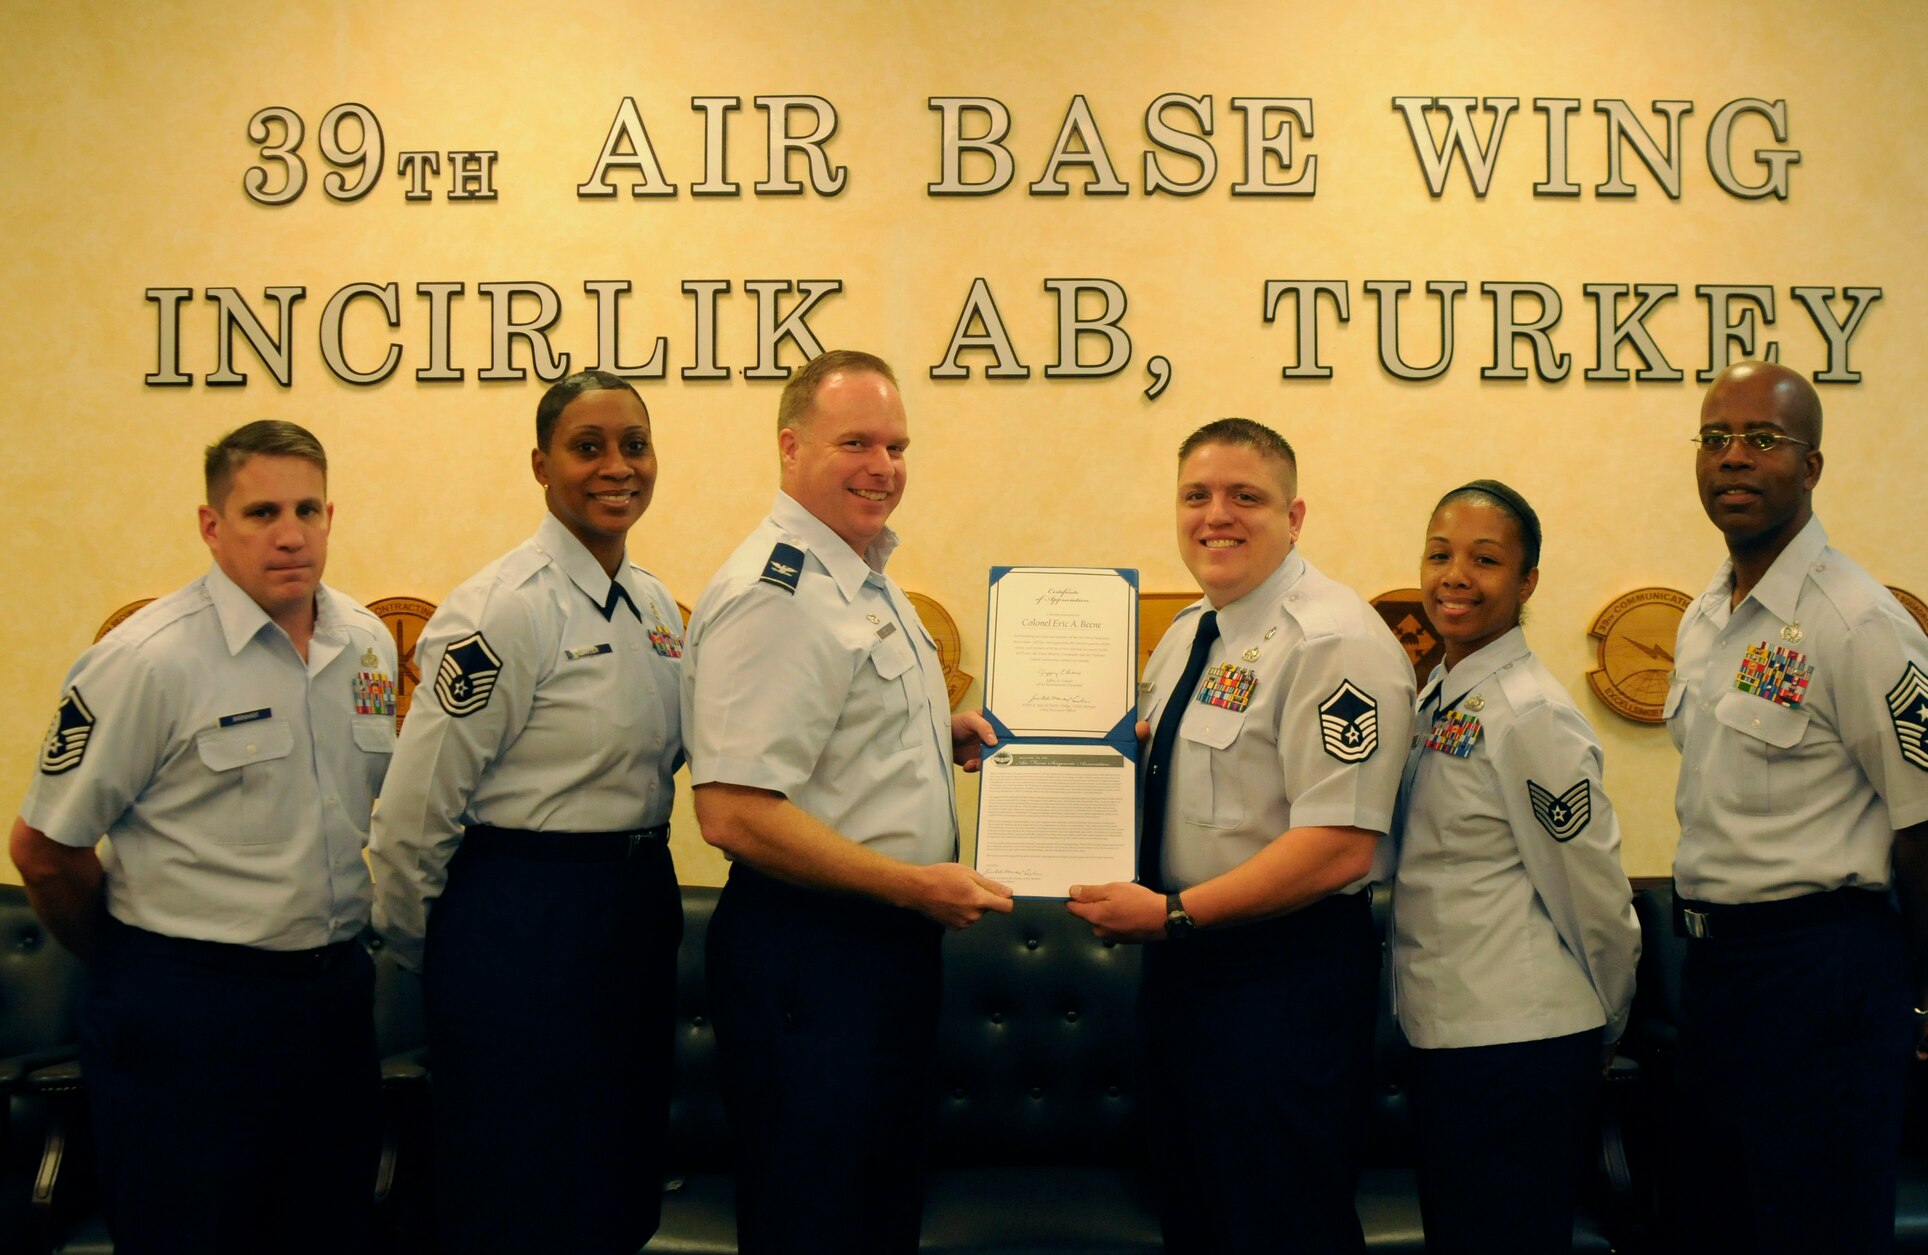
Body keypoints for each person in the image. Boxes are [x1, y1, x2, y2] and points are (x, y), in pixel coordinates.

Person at [9, 420, 396, 1255]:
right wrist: (126, 959)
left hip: (330, 1002)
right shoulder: (144, 660)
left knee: (331, 1232)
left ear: (330, 514)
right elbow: (43, 848)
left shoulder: (364, 643)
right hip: (188, 1015)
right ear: (211, 525)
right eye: (260, 512)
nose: (290, 534)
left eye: (306, 509)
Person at [681, 349, 1011, 1255]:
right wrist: (912, 885)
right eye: (856, 441)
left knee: (872, 1204)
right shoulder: (775, 593)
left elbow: (818, 739)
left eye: (898, 445)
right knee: (816, 1212)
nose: (884, 466)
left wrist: (933, 734)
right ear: (790, 448)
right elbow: (734, 812)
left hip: (874, 949)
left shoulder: (858, 575)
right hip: (814, 956)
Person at [1068, 418, 1415, 1254]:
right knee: (1196, 1213)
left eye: (1244, 496)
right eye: (1196, 495)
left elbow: (1338, 844)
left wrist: (1174, 913)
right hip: (1184, 976)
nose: (1215, 515)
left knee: (1281, 1218)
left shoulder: (1334, 641)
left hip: (1282, 981)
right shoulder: (1193, 630)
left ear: (1294, 517)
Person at [369, 370, 685, 1255]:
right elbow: (411, 816)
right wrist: (431, 958)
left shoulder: (658, 607)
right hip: (520, 922)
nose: (616, 466)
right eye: (589, 447)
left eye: (634, 443)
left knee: (617, 1183)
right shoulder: (503, 609)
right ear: (541, 465)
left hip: (632, 909)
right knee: (521, 1191)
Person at [1666, 361, 1928, 1255]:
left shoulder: (1861, 623)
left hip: (1827, 975)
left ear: (1811, 467)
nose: (1733, 457)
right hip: (1718, 972)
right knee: (1716, 1223)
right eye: (1715, 437)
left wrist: (1906, 986)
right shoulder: (1703, 619)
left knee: (1817, 1229)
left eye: (1763, 439)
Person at [1391, 480, 1640, 1254]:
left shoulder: (1529, 712)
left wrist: (1612, 1017)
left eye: (1485, 558)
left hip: (1519, 1048)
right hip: (1453, 1035)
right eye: (1440, 554)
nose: (1454, 574)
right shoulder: (1441, 694)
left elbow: (1592, 891)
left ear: (1527, 581)